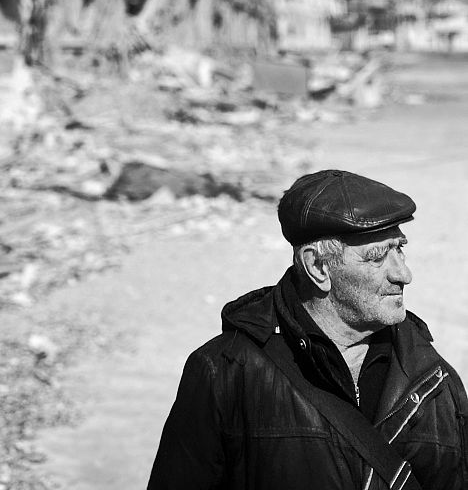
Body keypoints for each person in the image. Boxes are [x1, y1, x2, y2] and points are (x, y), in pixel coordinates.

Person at [146, 169, 468, 489]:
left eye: (400, 249)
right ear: (318, 267)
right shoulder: (226, 373)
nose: (403, 274)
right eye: (377, 257)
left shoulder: (433, 378)